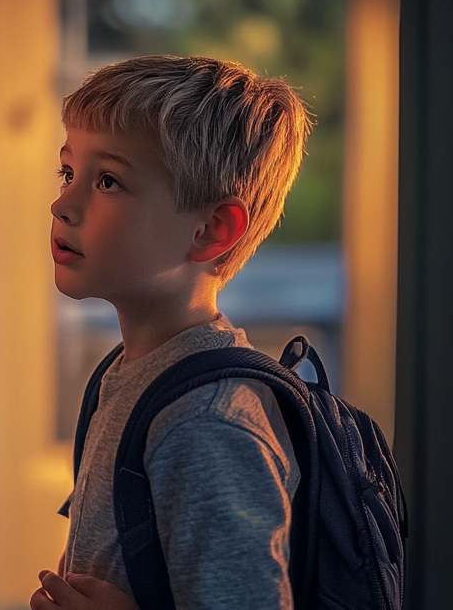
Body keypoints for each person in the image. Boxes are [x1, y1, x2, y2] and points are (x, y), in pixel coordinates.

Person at [31, 56, 311, 610]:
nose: (63, 204)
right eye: (68, 172)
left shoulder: (208, 421)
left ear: (211, 230)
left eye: (108, 180)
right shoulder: (126, 372)